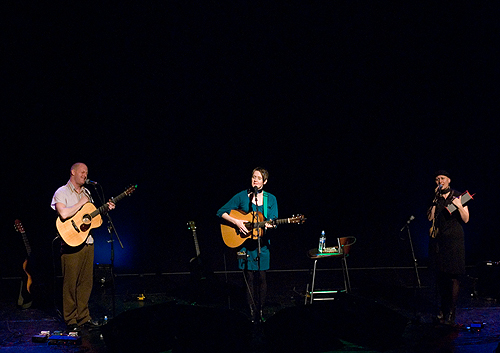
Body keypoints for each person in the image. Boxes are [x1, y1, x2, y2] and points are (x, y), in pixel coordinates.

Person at [51, 162, 115, 331]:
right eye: (82, 172)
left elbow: (91, 219)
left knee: (86, 283)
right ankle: (71, 319)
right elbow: (63, 213)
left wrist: (105, 209)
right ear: (72, 172)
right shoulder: (62, 192)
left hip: (87, 243)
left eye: (87, 172)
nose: (85, 175)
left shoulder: (87, 192)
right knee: (70, 283)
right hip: (70, 243)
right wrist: (81, 203)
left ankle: (83, 317)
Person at [216, 167, 278, 323]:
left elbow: (274, 220)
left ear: (265, 181)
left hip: (262, 244)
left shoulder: (271, 199)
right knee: (249, 277)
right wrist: (237, 222)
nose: (255, 180)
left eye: (258, 178)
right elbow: (220, 212)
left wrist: (271, 225)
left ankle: (260, 309)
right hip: (245, 243)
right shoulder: (242, 196)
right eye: (253, 177)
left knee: (262, 277)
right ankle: (251, 311)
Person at [427, 170, 469, 326]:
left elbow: (466, 219)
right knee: (441, 277)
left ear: (449, 180)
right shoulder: (436, 198)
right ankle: (442, 310)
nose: (440, 181)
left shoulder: (458, 196)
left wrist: (459, 206)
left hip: (455, 240)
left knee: (453, 277)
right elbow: (430, 218)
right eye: (437, 178)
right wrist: (434, 200)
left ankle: (451, 311)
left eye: (442, 178)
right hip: (440, 240)